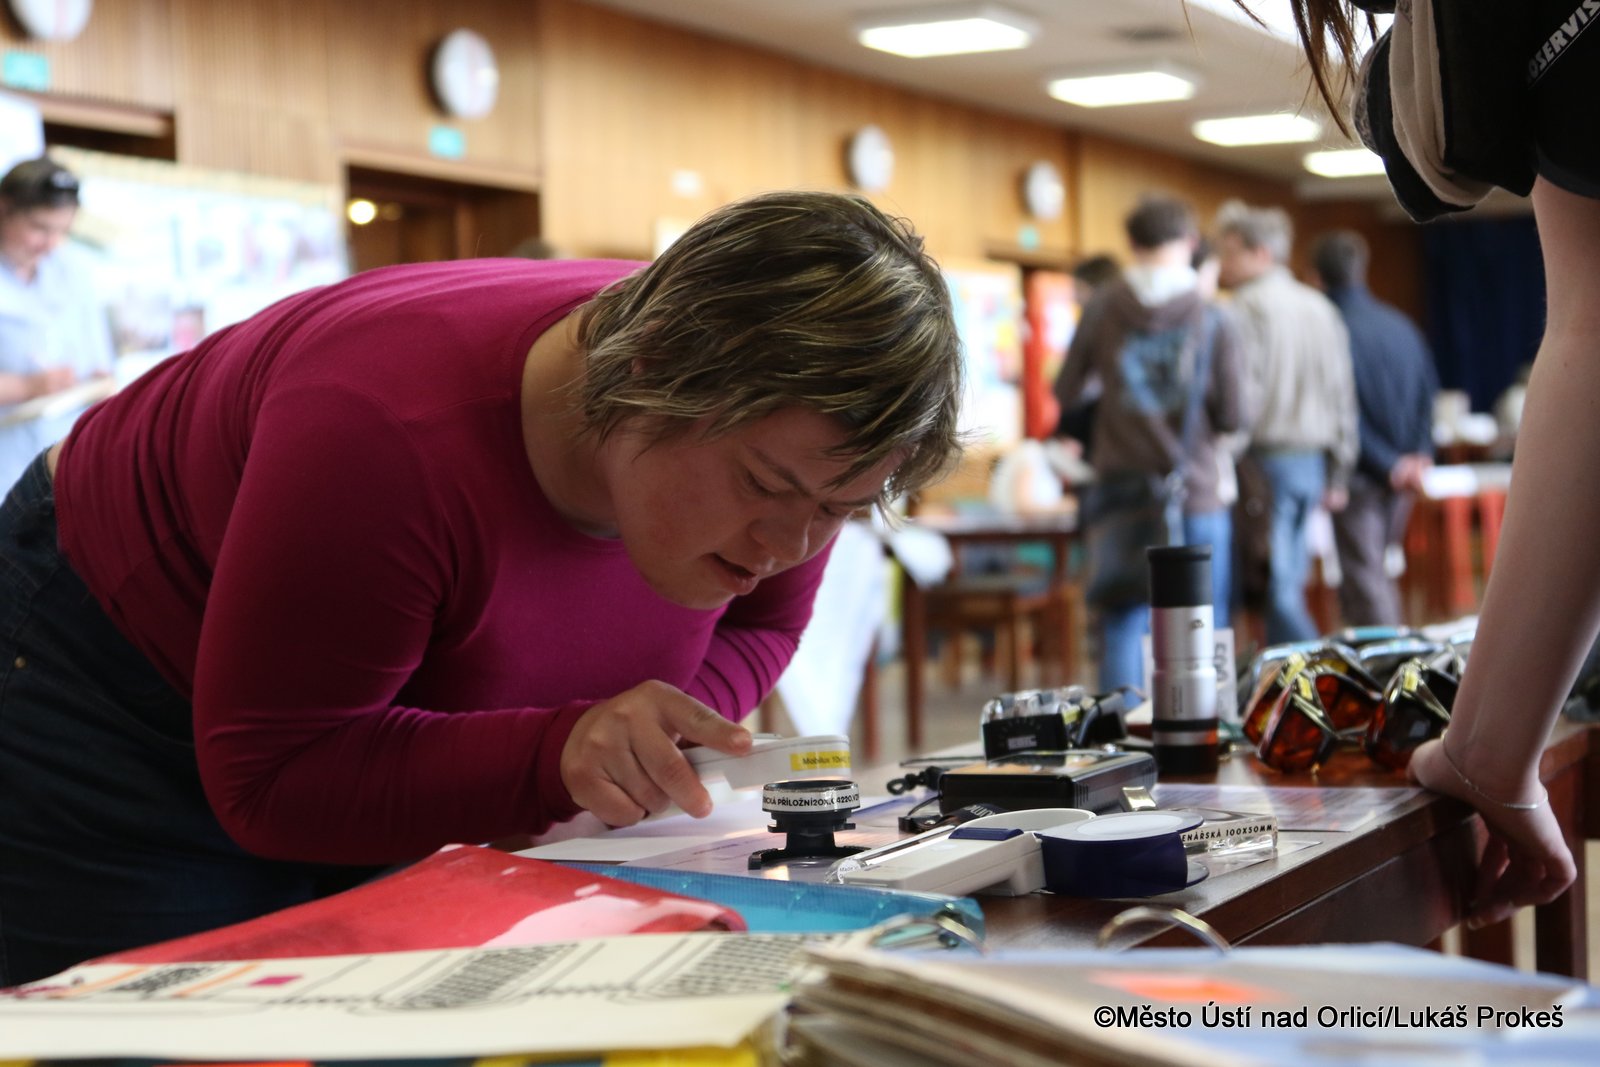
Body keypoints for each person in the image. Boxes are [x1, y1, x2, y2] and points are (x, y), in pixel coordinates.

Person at [0, 189, 964, 985]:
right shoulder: (383, 432)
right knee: (160, 1013)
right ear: (649, 372)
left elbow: (758, 628)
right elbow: (272, 777)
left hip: (358, 673)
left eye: (841, 509)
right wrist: (558, 752)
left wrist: (650, 737)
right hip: (109, 660)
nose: (793, 544)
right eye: (765, 488)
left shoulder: (795, 428)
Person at [1239, 0, 1584, 929]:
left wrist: (1488, 748)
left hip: (1335, 471)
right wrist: (1489, 745)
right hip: (1373, 468)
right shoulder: (1391, 322)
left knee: (1334, 586)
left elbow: (1590, 346)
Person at [1054, 194, 1243, 692]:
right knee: (1204, 624)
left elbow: (1066, 391)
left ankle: (1122, 732)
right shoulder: (1213, 317)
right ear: (1190, 242)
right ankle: (1204, 729)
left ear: (1132, 243)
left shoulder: (1102, 308)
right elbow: (1234, 415)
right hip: (1195, 489)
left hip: (1122, 491)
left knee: (1121, 620)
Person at [1215, 198, 1358, 644]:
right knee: (1287, 582)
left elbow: (1244, 394)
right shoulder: (1321, 308)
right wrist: (1339, 470)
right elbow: (1343, 397)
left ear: (1260, 253)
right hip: (1311, 464)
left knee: (1273, 590)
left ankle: (1319, 672)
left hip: (1263, 466)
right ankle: (1295, 678)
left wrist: (1221, 458)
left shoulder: (1242, 309)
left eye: (1229, 252)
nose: (1222, 263)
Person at [1311, 228, 1438, 627]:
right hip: (1401, 474)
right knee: (1373, 575)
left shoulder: (1328, 329)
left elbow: (1337, 412)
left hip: (1360, 474)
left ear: (1315, 276)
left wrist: (1388, 463)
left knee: (1365, 579)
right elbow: (1427, 395)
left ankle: (1390, 660)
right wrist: (1418, 455)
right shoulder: (1401, 324)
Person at [0, 156, 115, 489]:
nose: (51, 244)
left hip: (63, 465)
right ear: (4, 210)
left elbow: (100, 366)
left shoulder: (73, 273)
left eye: (62, 231)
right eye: (39, 228)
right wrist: (28, 387)